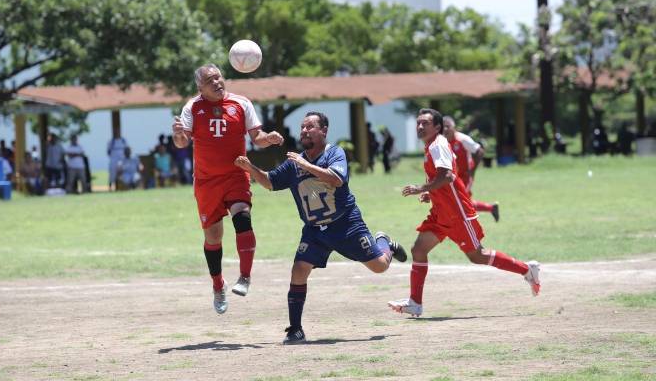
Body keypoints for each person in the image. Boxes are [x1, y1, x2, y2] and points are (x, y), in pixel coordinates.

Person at [235, 111, 407, 344]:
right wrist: (250, 168)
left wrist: (306, 165)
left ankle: (385, 242)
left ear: (323, 131)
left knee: (379, 267)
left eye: (310, 127)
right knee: (298, 270)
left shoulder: (334, 153)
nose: (304, 131)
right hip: (315, 230)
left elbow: (336, 179)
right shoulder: (294, 163)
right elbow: (270, 182)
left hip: (346, 224)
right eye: (302, 127)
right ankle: (295, 330)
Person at [388, 108, 540, 318]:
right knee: (419, 249)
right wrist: (431, 194)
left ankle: (526, 269)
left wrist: (422, 188)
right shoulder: (432, 145)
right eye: (418, 123)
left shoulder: (438, 144)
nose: (420, 127)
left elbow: (448, 176)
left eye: (425, 123)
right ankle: (415, 303)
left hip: (456, 213)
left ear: (438, 127)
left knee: (477, 256)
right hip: (441, 212)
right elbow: (443, 178)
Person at [172, 63, 284, 314]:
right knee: (213, 237)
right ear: (200, 87)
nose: (217, 82)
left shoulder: (241, 104)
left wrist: (270, 138)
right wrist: (177, 134)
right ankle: (218, 284)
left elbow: (257, 137)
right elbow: (182, 142)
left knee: (243, 217)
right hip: (206, 182)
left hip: (236, 173)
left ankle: (245, 277)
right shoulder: (193, 107)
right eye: (210, 80)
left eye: (218, 77)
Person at [442, 116, 499, 221]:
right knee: (460, 201)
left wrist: (472, 170)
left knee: (460, 201)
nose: (445, 129)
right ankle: (491, 208)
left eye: (447, 126)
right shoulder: (442, 141)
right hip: (453, 178)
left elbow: (480, 152)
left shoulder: (462, 139)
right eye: (443, 127)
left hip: (465, 176)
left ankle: (467, 224)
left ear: (454, 127)